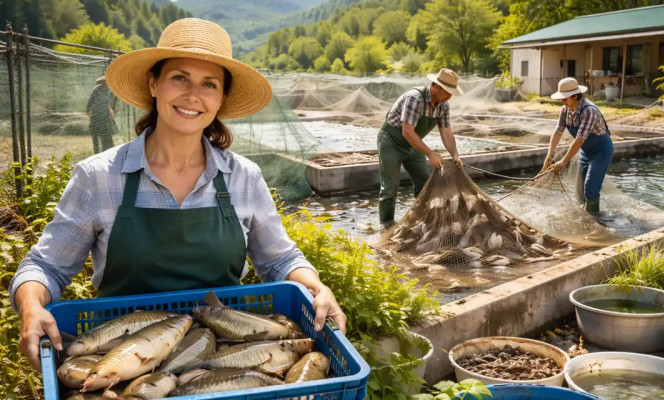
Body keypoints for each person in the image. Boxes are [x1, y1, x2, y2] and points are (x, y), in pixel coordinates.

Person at [11, 18, 346, 371]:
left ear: (221, 99)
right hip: (122, 360)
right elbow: (46, 266)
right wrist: (32, 305)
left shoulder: (242, 178)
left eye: (209, 84)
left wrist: (315, 287)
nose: (192, 95)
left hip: (219, 357)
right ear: (153, 84)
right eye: (179, 78)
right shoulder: (99, 177)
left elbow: (279, 261)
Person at [377, 68, 464, 226]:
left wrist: (455, 155)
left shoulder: (443, 105)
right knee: (390, 188)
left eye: (452, 93)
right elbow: (407, 131)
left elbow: (446, 132)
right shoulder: (414, 98)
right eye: (447, 92)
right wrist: (430, 153)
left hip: (412, 144)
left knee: (424, 184)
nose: (450, 96)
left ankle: (424, 222)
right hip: (391, 141)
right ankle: (386, 225)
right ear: (436, 86)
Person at [540, 77, 614, 215]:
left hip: (601, 151)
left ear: (575, 96)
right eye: (561, 98)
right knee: (579, 190)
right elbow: (557, 132)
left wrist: (564, 161)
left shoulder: (588, 111)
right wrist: (549, 156)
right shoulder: (565, 110)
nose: (562, 101)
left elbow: (579, 140)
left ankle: (595, 221)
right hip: (585, 152)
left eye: (565, 98)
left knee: (590, 188)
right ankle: (583, 217)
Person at [86, 76, 118, 154]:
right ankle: (106, 152)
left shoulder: (97, 90)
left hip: (97, 118)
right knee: (106, 136)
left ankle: (99, 153)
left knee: (98, 138)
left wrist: (88, 110)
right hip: (103, 118)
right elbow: (112, 105)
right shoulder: (110, 90)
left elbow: (89, 104)